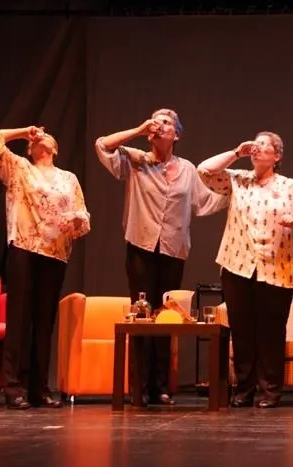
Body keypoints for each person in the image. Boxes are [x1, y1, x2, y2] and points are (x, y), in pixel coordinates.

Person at [94, 108, 227, 406]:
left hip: (173, 249)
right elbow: (102, 146)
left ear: (176, 134)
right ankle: (138, 387)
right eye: (156, 121)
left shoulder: (188, 170)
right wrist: (138, 130)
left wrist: (237, 194)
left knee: (166, 316)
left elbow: (205, 202)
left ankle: (160, 386)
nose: (159, 125)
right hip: (141, 245)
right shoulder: (136, 159)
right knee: (142, 315)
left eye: (166, 122)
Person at [197, 131, 293, 408]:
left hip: (277, 269)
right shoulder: (238, 179)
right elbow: (204, 171)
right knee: (241, 330)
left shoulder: (289, 186)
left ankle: (270, 391)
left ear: (277, 156)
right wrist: (236, 152)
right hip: (237, 265)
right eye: (256, 144)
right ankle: (244, 389)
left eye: (265, 145)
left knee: (270, 331)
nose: (257, 148)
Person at [0, 125, 91, 410]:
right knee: (19, 317)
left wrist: (74, 221)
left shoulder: (69, 178)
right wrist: (23, 133)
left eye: (48, 137)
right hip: (25, 247)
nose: (43, 138)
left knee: (44, 321)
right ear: (30, 149)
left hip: (55, 253)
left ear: (56, 148)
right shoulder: (19, 168)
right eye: (38, 139)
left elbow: (83, 217)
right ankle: (13, 386)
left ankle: (39, 387)